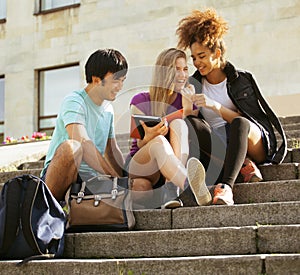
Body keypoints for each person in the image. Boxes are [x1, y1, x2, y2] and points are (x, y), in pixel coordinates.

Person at [176, 8, 287, 205]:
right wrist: (187, 104)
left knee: (239, 123)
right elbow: (194, 126)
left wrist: (215, 106)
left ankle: (226, 186)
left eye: (201, 56)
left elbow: (248, 119)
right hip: (219, 144)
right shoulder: (194, 83)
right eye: (193, 57)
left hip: (250, 139)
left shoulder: (241, 79)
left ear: (216, 53)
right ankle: (242, 166)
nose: (196, 62)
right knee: (190, 122)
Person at [125, 48, 212, 209]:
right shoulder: (140, 100)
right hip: (143, 164)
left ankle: (171, 188)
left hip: (171, 165)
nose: (183, 75)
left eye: (185, 69)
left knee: (179, 124)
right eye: (177, 69)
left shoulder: (187, 100)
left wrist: (187, 110)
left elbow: (193, 136)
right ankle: (188, 185)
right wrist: (150, 136)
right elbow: (139, 144)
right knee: (158, 141)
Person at [41, 49, 128, 201]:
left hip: (90, 179)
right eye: (115, 80)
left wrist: (125, 179)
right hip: (60, 173)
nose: (120, 86)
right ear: (96, 79)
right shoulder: (74, 101)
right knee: (72, 147)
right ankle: (47, 206)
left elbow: (112, 150)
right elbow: (83, 142)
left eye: (123, 80)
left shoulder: (108, 109)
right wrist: (112, 176)